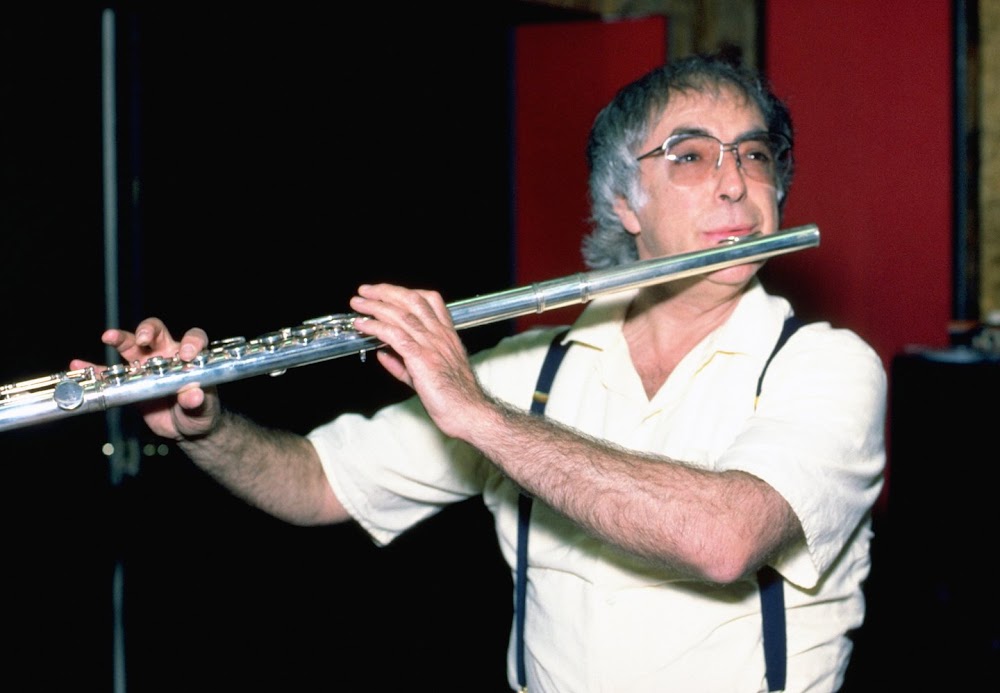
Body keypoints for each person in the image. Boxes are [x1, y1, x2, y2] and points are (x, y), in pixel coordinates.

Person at [73, 53, 886, 692]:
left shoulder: (826, 366)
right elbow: (318, 483)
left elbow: (723, 538)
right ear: (624, 202)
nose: (735, 183)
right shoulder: (533, 368)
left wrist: (480, 414)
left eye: (754, 154)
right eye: (691, 156)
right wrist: (205, 426)